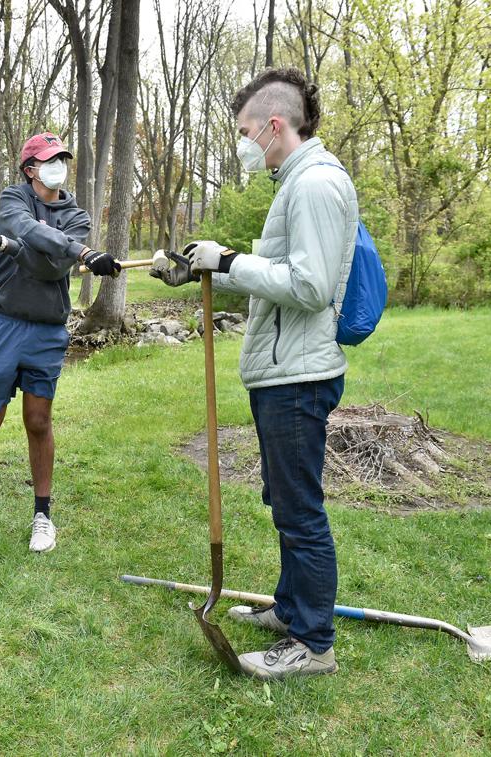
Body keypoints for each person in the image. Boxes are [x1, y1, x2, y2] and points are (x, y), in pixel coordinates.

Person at [151, 68, 359, 679]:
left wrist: (234, 261)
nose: (241, 143)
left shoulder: (316, 185)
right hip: (282, 371)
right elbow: (279, 271)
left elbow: (311, 286)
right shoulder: (295, 181)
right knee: (285, 501)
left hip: (299, 375)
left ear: (274, 126)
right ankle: (291, 609)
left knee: (300, 512)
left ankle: (312, 645)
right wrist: (206, 267)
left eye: (245, 131)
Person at [0, 132, 120, 553]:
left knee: (38, 421)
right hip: (3, 324)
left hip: (47, 330)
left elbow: (49, 269)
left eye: (62, 158)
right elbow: (20, 227)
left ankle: (42, 516)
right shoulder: (14, 197)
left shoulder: (76, 215)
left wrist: (10, 246)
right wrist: (72, 251)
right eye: (49, 160)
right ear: (30, 169)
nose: (58, 165)